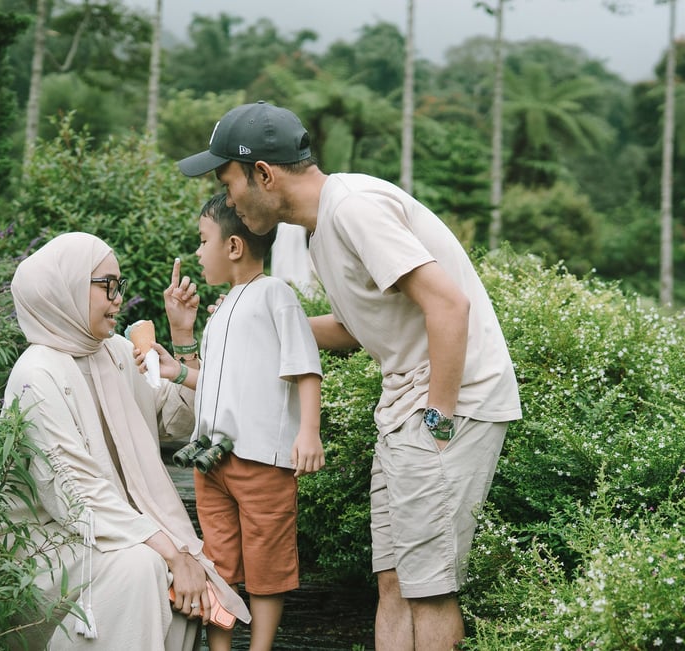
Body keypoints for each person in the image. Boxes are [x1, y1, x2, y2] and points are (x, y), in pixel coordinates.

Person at [176, 102, 522, 651]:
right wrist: (255, 321)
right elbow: (355, 328)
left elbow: (448, 306)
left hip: (442, 408)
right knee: (393, 582)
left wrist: (439, 417)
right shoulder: (321, 233)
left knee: (428, 588)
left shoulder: (355, 209)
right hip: (401, 411)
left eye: (229, 181)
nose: (231, 202)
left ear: (262, 174)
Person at [2, 232, 250, 651]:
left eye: (120, 286)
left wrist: (183, 338)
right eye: (107, 286)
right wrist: (172, 552)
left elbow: (175, 420)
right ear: (66, 286)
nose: (118, 299)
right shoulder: (36, 374)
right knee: (144, 566)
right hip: (48, 543)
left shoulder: (114, 352)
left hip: (117, 523)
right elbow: (75, 494)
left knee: (170, 571)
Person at [143, 193, 325, 651]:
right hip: (211, 461)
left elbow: (305, 365)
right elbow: (223, 384)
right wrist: (177, 369)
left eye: (204, 241)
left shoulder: (276, 295)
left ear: (235, 247)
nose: (198, 251)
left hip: (262, 461)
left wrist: (309, 431)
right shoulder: (223, 308)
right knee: (218, 564)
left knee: (267, 566)